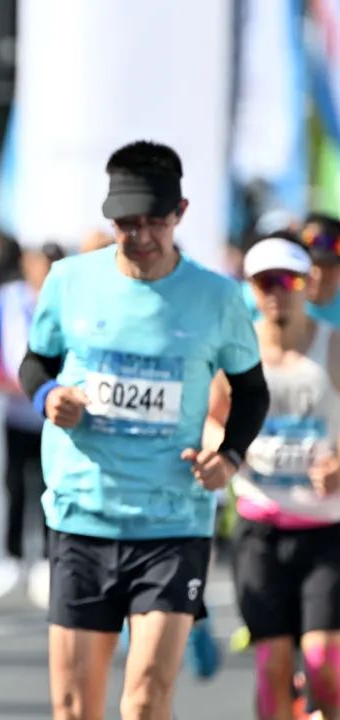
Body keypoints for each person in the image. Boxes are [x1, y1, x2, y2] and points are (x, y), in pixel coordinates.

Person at [19, 140, 270, 720]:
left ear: (180, 213)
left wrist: (230, 456)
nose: (141, 236)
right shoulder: (69, 280)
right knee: (73, 706)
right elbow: (35, 362)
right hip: (82, 515)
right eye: (126, 223)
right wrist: (48, 396)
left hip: (172, 522)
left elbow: (252, 391)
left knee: (146, 701)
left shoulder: (216, 297)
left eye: (155, 222)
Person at [223, 237, 340, 719]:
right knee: (272, 663)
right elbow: (210, 417)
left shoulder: (333, 346)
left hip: (326, 530)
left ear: (308, 283)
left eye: (288, 280)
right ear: (250, 289)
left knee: (323, 665)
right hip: (260, 528)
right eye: (265, 281)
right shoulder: (237, 351)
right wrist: (227, 450)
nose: (276, 292)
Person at [0, 241, 63, 606]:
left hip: (48, 413)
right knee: (12, 485)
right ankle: (11, 559)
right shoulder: (9, 297)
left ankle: (45, 561)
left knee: (47, 486)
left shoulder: (61, 296)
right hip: (14, 409)